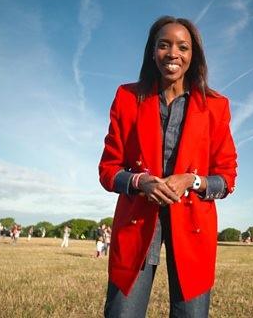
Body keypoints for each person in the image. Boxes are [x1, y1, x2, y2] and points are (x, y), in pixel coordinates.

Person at [99, 16, 238, 318]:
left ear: (193, 55)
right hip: (136, 222)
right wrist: (140, 182)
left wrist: (192, 180)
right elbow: (109, 170)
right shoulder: (127, 97)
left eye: (182, 47)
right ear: (152, 52)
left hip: (194, 227)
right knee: (122, 313)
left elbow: (226, 178)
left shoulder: (216, 105)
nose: (173, 53)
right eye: (164, 45)